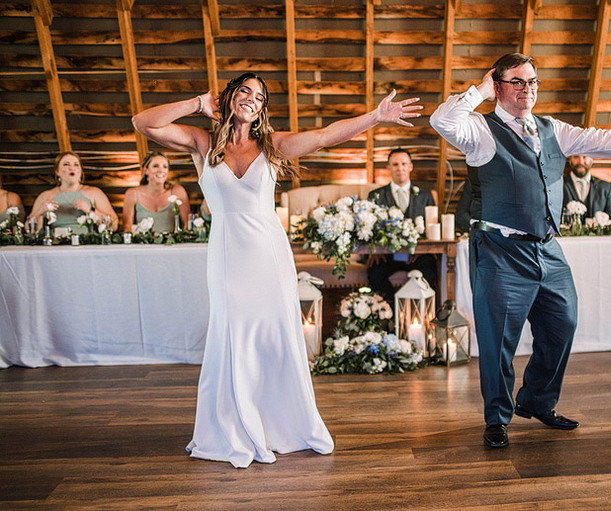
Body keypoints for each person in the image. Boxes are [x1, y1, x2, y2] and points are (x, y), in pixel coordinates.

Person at [132, 72, 421, 467]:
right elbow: (143, 123)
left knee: (272, 337)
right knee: (232, 332)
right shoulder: (203, 142)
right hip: (226, 254)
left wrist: (375, 116)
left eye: (259, 96)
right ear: (230, 96)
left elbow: (325, 136)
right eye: (244, 91)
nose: (251, 99)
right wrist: (198, 103)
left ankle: (278, 423)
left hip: (268, 255)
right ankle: (234, 425)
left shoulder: (272, 145)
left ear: (263, 107)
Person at [429, 52, 611, 449]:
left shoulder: (551, 128)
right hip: (500, 250)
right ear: (499, 85)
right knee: (498, 341)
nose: (528, 89)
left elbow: (604, 140)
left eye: (533, 82)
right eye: (518, 82)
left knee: (563, 323)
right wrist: (480, 90)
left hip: (548, 248)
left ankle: (538, 402)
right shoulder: (479, 129)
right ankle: (497, 417)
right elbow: (442, 121)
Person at [367, 148, 437, 300]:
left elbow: (432, 228)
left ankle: (416, 314)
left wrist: (420, 249)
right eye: (395, 164)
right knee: (374, 271)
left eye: (404, 164)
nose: (400, 168)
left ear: (410, 166)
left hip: (417, 255)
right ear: (389, 167)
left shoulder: (425, 195)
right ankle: (392, 313)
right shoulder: (376, 196)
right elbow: (370, 229)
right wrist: (377, 250)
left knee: (430, 268)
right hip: (387, 255)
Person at [29, 152, 118, 233]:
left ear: (81, 171)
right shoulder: (46, 195)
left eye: (76, 165)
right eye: (66, 164)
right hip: (56, 245)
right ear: (57, 172)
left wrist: (90, 211)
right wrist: (40, 212)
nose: (72, 168)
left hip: (87, 245)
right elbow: (28, 230)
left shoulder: (94, 193)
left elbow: (113, 225)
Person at [122, 151, 191, 233]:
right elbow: (127, 227)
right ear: (146, 170)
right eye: (155, 166)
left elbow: (187, 224)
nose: (161, 170)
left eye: (165, 167)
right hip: (142, 245)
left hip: (171, 244)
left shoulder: (177, 191)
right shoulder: (132, 193)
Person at [562, 154, 611, 218]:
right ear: (570, 160)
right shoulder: (560, 186)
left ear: (591, 160)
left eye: (585, 157)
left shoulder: (605, 187)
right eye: (576, 157)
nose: (581, 162)